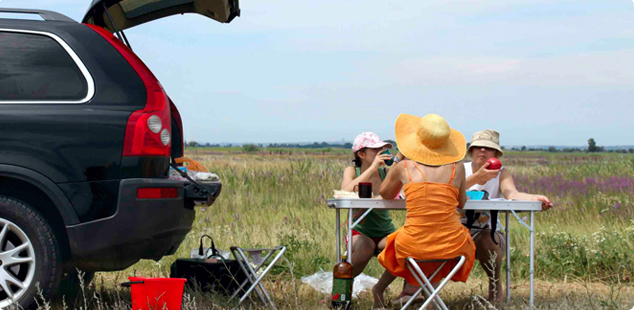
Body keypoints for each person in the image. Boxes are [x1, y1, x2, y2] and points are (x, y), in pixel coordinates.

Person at [373, 114, 476, 308]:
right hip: (453, 243)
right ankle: (430, 297)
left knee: (396, 243)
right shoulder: (458, 168)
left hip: (413, 244)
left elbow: (385, 193)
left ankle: (392, 290)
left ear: (415, 142)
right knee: (437, 245)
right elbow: (461, 202)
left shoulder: (404, 167)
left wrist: (398, 158)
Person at [460, 129, 553, 302]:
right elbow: (447, 191)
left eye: (488, 148)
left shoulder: (501, 172)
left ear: (495, 153)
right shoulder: (459, 170)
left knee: (487, 237)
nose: (482, 151)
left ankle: (495, 287)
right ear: (471, 151)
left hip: (488, 232)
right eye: (478, 147)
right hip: (456, 232)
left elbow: (512, 194)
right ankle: (418, 291)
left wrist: (535, 198)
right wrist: (477, 178)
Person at [340, 132, 396, 277]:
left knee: (404, 247)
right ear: (361, 154)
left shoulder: (386, 173)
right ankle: (341, 291)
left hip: (385, 231)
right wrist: (372, 168)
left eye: (382, 150)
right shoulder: (352, 171)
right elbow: (344, 192)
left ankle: (383, 290)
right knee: (366, 247)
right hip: (360, 232)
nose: (380, 153)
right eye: (375, 150)